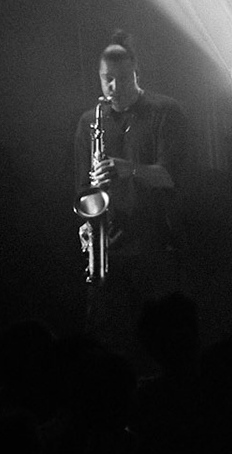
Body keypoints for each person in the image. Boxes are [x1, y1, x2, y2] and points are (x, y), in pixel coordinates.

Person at [73, 34, 191, 360]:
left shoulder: (166, 112)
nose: (113, 86)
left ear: (136, 72)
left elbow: (171, 176)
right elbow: (83, 190)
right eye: (106, 79)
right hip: (110, 245)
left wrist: (128, 169)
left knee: (162, 342)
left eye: (122, 78)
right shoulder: (89, 122)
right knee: (107, 340)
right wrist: (86, 226)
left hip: (156, 244)